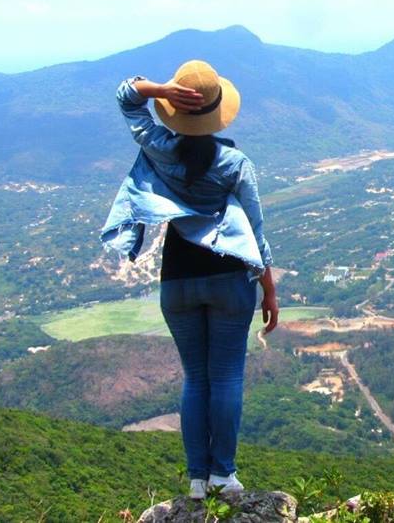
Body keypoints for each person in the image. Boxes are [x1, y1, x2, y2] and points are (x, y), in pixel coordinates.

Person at [100, 60, 278, 500]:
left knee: (195, 379)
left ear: (175, 109)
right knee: (227, 378)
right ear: (219, 112)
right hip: (229, 279)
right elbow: (255, 234)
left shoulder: (159, 147)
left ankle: (197, 480)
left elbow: (126, 96)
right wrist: (269, 290)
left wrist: (159, 89)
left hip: (177, 280)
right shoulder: (235, 163)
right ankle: (224, 475)